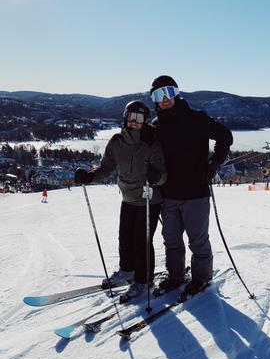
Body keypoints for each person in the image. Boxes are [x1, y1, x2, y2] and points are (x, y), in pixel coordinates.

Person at [74, 101, 167, 300]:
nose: (135, 122)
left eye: (139, 118)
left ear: (145, 120)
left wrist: (155, 176)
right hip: (128, 197)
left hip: (149, 200)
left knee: (142, 241)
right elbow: (106, 167)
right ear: (125, 118)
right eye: (131, 117)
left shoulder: (151, 142)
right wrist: (90, 177)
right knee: (125, 237)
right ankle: (127, 270)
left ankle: (144, 280)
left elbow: (163, 175)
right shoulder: (116, 142)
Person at [149, 75, 233, 296]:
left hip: (196, 192)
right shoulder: (156, 127)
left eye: (169, 92)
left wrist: (213, 165)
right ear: (154, 100)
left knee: (197, 240)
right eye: (159, 94)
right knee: (172, 240)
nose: (165, 98)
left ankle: (201, 278)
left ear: (177, 93)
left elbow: (225, 136)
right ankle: (176, 275)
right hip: (169, 194)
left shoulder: (196, 119)